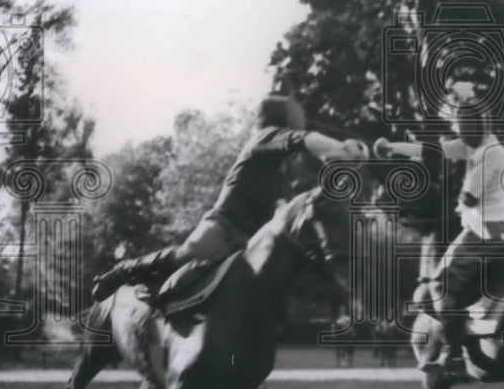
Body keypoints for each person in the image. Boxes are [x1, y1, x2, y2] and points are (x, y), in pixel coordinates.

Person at [91, 95, 367, 302]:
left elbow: (309, 156)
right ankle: (120, 272)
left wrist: (337, 158)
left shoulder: (282, 166)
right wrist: (340, 147)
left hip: (250, 242)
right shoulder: (265, 138)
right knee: (189, 255)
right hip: (224, 226)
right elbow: (304, 140)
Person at [375, 103, 504, 373]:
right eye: (457, 127)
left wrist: (450, 197)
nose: (460, 133)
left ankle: (452, 354)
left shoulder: (489, 154)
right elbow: (434, 150)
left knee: (440, 284)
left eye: (464, 127)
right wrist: (392, 148)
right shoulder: (475, 144)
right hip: (500, 231)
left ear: (480, 125)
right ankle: (463, 334)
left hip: (484, 232)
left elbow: (469, 196)